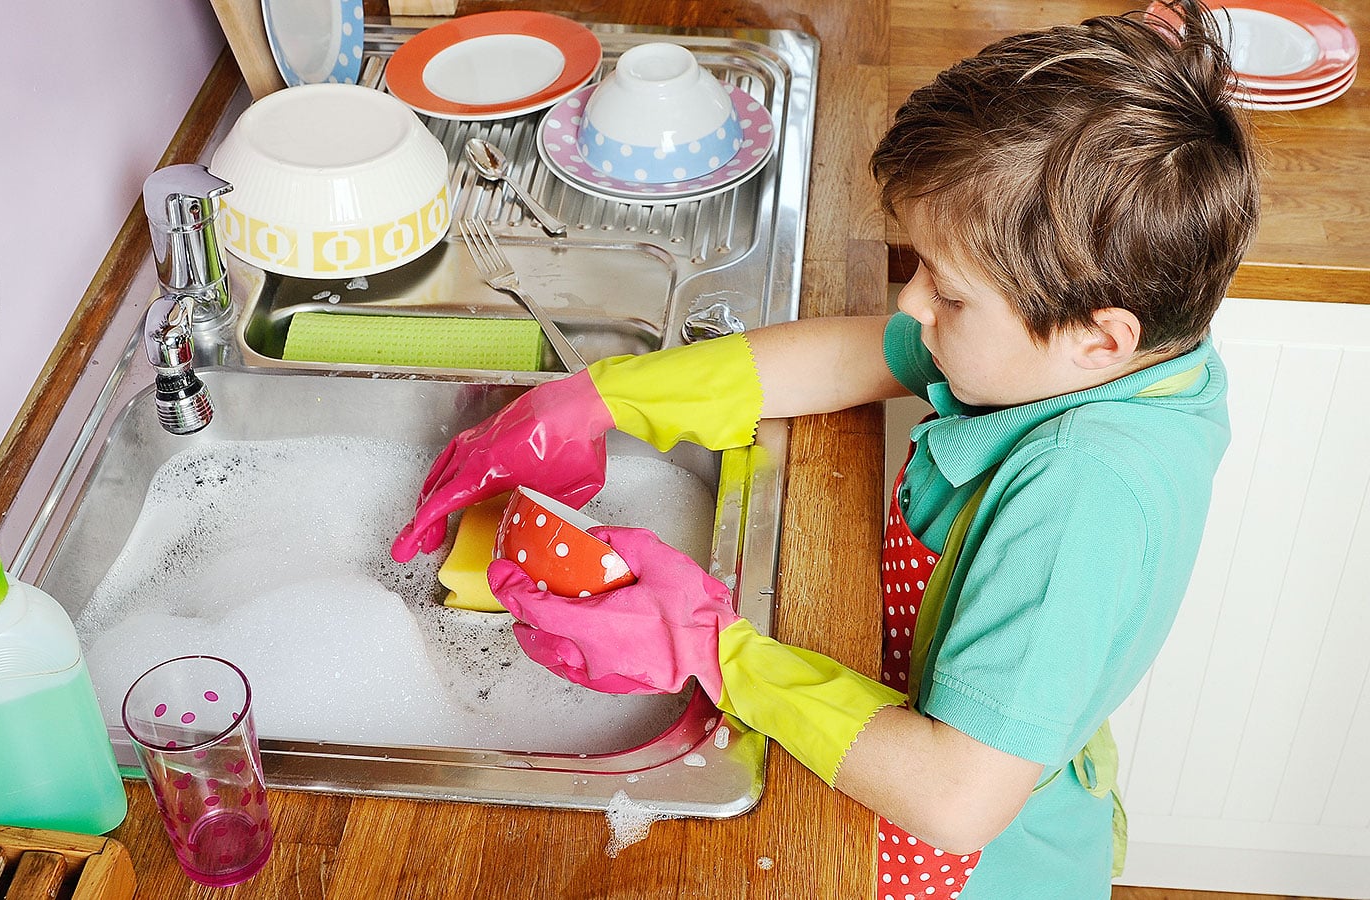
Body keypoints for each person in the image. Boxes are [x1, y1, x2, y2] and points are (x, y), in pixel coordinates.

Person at [390, 1, 1257, 895]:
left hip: (973, 866)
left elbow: (956, 798)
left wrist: (715, 652)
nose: (915, 305)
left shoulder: (1084, 493)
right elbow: (861, 353)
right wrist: (601, 398)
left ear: (1100, 336)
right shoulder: (1096, 354)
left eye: (948, 294)